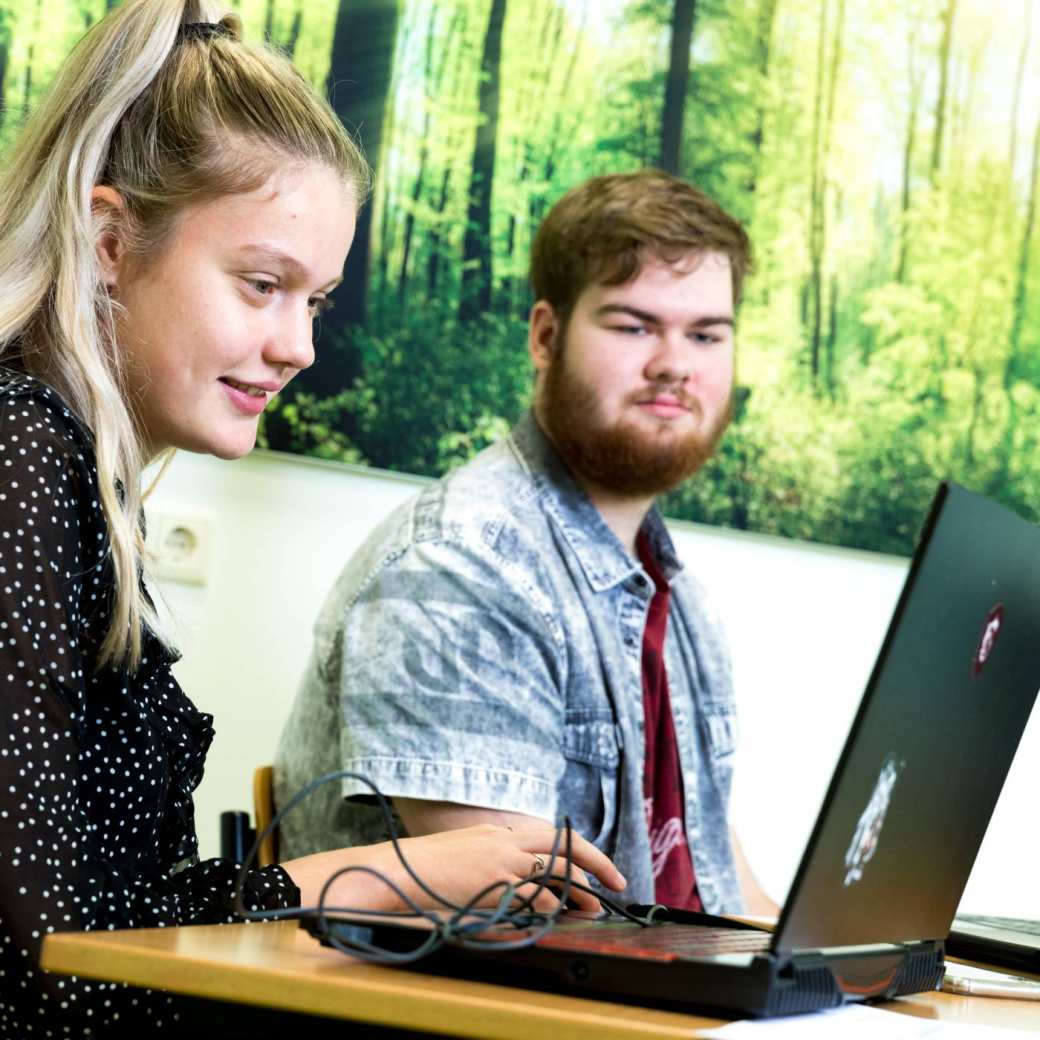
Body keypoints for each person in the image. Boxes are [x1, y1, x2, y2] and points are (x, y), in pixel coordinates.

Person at [0, 3, 624, 1035]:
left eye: (316, 301)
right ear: (110, 242)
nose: (296, 346)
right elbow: (50, 961)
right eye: (260, 285)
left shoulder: (77, 476)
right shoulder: (20, 456)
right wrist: (381, 872)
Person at [276, 170, 776, 917]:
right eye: (635, 326)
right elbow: (527, 925)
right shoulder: (459, 568)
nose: (675, 362)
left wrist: (847, 975)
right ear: (546, 336)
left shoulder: (676, 600)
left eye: (706, 334)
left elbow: (719, 890)